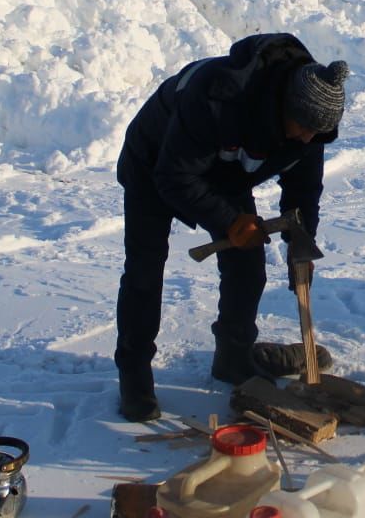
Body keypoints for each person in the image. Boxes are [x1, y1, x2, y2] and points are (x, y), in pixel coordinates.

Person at [113, 33, 347, 421]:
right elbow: (173, 177)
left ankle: (233, 357)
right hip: (156, 160)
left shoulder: (312, 123)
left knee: (247, 265)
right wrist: (228, 220)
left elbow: (303, 192)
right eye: (304, 128)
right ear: (284, 105)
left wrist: (300, 243)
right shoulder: (219, 97)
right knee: (145, 268)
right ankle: (134, 372)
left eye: (317, 134)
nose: (308, 138)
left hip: (226, 172)